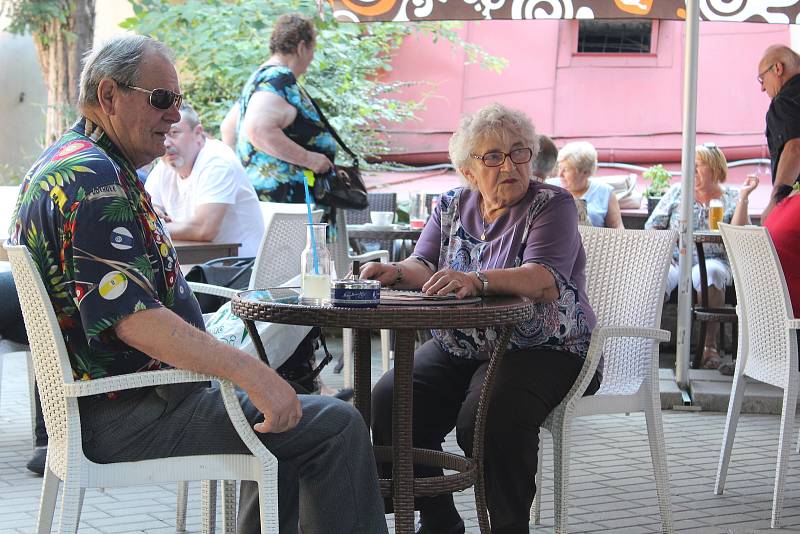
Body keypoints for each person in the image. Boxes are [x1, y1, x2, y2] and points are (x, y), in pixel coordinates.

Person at [8, 35, 386, 534]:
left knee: (291, 411)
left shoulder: (70, 160)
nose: (173, 115)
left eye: (177, 101)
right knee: (335, 425)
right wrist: (251, 374)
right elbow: (136, 323)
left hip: (114, 402)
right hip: (128, 410)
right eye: (162, 99)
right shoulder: (92, 181)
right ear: (109, 96)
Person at [361, 103, 601, 534]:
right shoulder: (451, 204)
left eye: (519, 152)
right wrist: (394, 272)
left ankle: (508, 528)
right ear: (469, 170)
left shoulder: (552, 204)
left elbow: (542, 279)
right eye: (493, 156)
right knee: (392, 398)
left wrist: (476, 279)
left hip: (545, 346)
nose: (508, 164)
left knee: (489, 415)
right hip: (465, 344)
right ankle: (439, 520)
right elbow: (423, 262)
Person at [645, 143, 755, 369]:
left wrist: (744, 197)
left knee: (711, 273)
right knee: (656, 277)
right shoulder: (678, 192)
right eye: (689, 167)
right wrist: (665, 249)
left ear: (714, 168)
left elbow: (739, 234)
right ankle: (645, 346)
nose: (691, 171)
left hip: (715, 259)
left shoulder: (732, 196)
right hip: (677, 258)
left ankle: (708, 347)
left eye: (698, 166)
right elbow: (652, 227)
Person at [220, 13, 335, 203]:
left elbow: (228, 128)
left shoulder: (259, 77)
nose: (312, 58)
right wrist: (309, 159)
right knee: (306, 235)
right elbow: (258, 129)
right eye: (312, 49)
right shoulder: (279, 79)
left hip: (265, 196)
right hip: (287, 201)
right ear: (301, 48)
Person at [145, 104, 264, 257]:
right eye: (162, 134)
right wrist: (155, 213)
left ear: (198, 133)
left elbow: (204, 230)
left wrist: (154, 227)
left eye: (174, 133)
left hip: (239, 270)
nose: (166, 143)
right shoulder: (165, 166)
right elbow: (147, 209)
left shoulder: (218, 161)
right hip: (200, 267)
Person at [758, 45, 800, 221]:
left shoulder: (783, 101)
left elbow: (795, 149)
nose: (762, 88)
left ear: (777, 68)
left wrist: (775, 202)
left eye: (762, 79)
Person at [552, 141, 624, 229]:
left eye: (566, 170)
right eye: (559, 167)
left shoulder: (605, 192)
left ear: (586, 172)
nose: (560, 174)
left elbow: (618, 229)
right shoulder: (550, 188)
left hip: (593, 241)